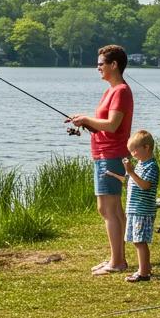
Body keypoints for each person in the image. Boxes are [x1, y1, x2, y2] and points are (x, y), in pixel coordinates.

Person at [68, 44, 134, 276]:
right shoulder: (110, 91)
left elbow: (113, 125)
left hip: (112, 155)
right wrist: (86, 122)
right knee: (110, 209)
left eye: (100, 64)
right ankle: (117, 256)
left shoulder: (121, 91)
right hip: (103, 154)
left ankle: (118, 262)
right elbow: (104, 124)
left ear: (113, 65)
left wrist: (87, 118)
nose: (98, 69)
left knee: (108, 209)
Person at [114, 129, 159, 283]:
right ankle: (145, 267)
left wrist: (131, 172)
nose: (132, 153)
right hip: (134, 209)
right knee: (136, 240)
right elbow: (131, 184)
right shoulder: (140, 165)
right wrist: (115, 175)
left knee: (140, 241)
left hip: (143, 210)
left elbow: (145, 185)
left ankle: (144, 273)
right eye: (130, 150)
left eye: (134, 150)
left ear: (146, 148)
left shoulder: (151, 166)